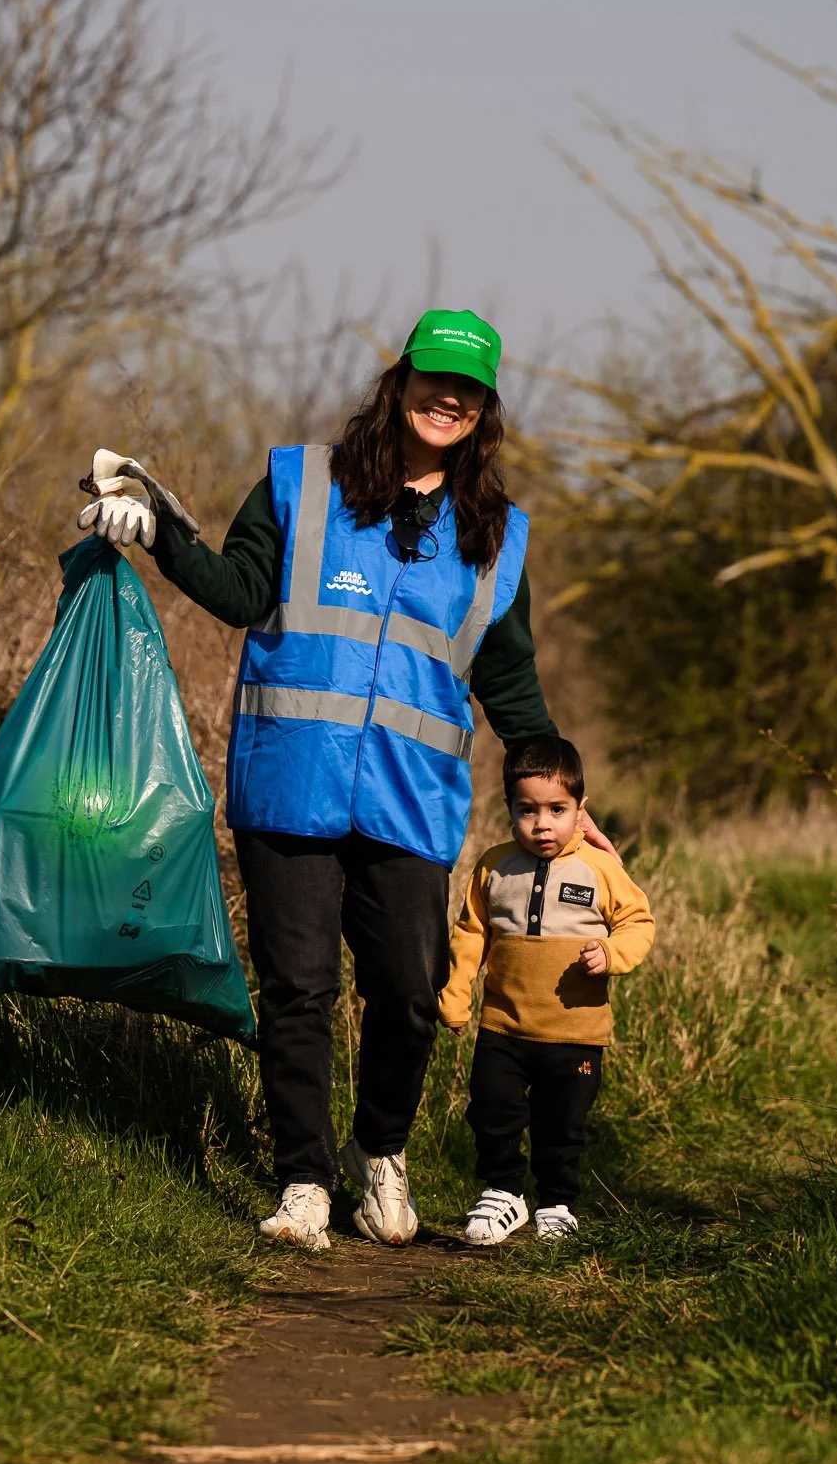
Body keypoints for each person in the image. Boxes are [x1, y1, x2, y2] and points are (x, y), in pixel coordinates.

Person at [78, 307, 609, 1249]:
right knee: (298, 987)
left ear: (485, 409)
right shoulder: (299, 483)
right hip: (290, 784)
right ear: (399, 382)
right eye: (434, 379)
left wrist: (569, 804)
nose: (448, 399)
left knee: (410, 988)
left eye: (470, 390)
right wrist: (154, 526)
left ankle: (380, 1151)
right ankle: (304, 1182)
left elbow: (510, 682)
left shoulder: (498, 537)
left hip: (411, 800)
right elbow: (241, 592)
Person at [437, 733, 654, 1245]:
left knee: (563, 1123)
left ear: (581, 810)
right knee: (492, 1109)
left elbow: (638, 922)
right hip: (503, 1025)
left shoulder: (600, 868)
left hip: (575, 1032)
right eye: (527, 810)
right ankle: (504, 1192)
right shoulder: (493, 866)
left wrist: (613, 955)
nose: (542, 824)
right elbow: (471, 933)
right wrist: (456, 990)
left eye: (557, 809)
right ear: (510, 808)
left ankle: (556, 1202)